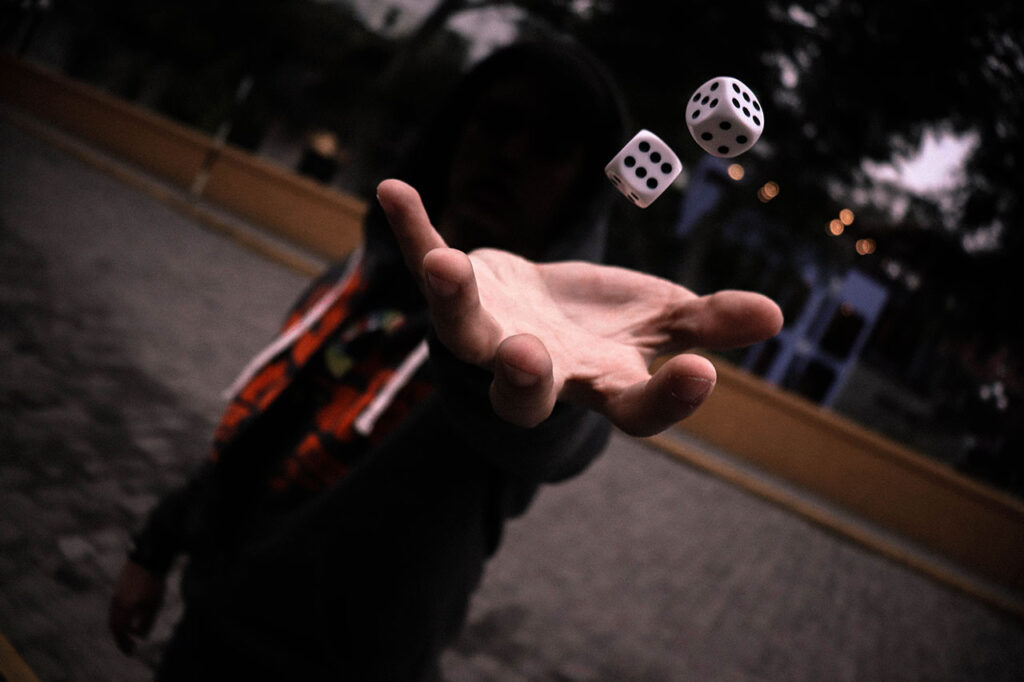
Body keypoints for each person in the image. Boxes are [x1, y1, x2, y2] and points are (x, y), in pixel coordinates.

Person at [109, 39, 783, 680]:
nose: (511, 154)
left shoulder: (564, 342)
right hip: (205, 630)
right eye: (498, 122)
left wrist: (512, 371)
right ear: (457, 129)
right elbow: (263, 428)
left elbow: (549, 434)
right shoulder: (358, 273)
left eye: (550, 145)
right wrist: (157, 543)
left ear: (582, 182)